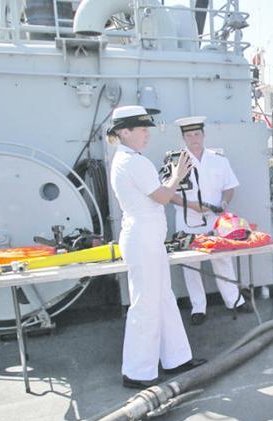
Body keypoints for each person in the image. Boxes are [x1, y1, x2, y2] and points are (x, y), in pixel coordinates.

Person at [107, 106, 206, 389]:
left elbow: (153, 195)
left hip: (147, 237)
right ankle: (137, 371)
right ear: (125, 132)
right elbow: (162, 197)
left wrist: (169, 179)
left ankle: (176, 358)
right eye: (142, 129)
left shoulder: (129, 159)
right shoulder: (133, 161)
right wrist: (177, 175)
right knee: (146, 303)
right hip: (143, 238)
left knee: (162, 297)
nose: (147, 134)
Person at [172, 116, 250, 326]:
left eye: (197, 134)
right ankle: (198, 307)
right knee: (191, 264)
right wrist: (193, 206)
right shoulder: (174, 162)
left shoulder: (219, 160)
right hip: (188, 220)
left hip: (215, 220)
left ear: (204, 135)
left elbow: (229, 187)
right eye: (189, 135)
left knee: (222, 259)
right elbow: (168, 193)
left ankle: (234, 300)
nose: (194, 139)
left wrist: (224, 203)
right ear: (183, 138)